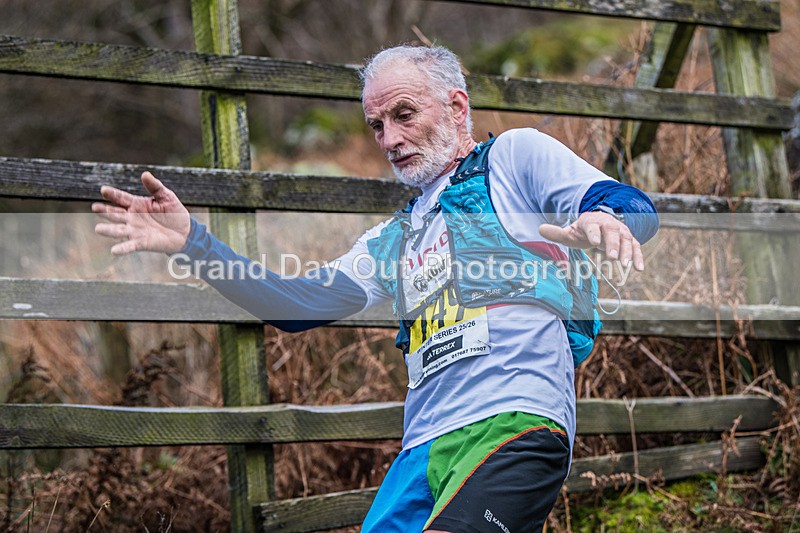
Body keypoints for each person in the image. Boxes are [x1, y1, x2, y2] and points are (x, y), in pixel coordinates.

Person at [94, 45, 658, 533]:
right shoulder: (395, 237)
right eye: (377, 126)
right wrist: (194, 242)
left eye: (404, 115)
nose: (390, 139)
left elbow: (636, 208)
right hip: (421, 452)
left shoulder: (511, 159)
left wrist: (605, 218)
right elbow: (295, 305)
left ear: (457, 106)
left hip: (513, 423)